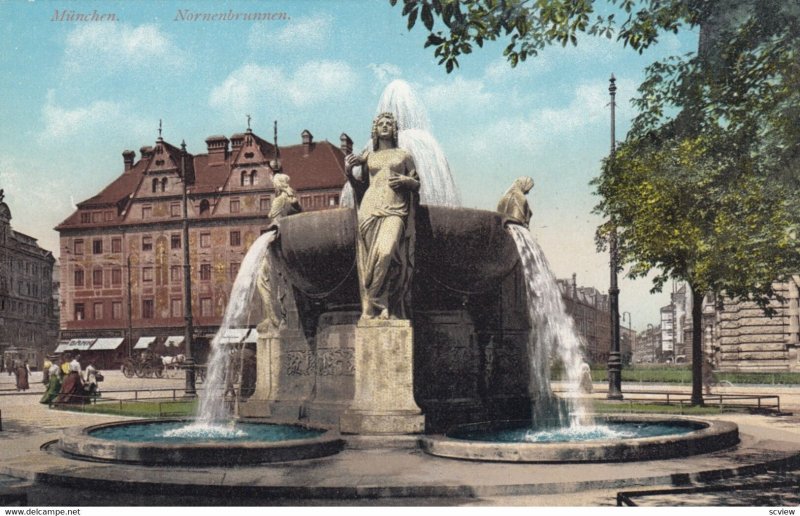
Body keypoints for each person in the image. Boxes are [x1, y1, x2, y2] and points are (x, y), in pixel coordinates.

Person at [344, 112, 420, 320]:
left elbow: (417, 183)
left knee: (386, 253)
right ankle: (376, 307)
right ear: (375, 129)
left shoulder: (404, 155)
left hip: (395, 209)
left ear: (394, 129)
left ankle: (375, 300)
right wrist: (350, 172)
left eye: (389, 123)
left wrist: (406, 181)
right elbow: (360, 188)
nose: (385, 126)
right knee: (371, 259)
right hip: (370, 209)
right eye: (381, 123)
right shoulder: (369, 156)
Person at [256, 173, 302, 331]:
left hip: (277, 245)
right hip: (291, 246)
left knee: (262, 281)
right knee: (283, 284)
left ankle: (273, 318)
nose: (273, 187)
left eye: (274, 184)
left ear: (278, 185)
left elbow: (274, 221)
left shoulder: (279, 200)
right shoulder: (293, 201)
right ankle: (281, 318)